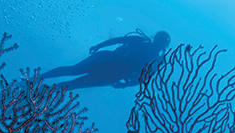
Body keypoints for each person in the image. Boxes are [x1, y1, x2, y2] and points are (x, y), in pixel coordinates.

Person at [42, 30, 171, 90]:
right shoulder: (139, 40)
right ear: (155, 37)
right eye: (159, 37)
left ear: (165, 46)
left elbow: (143, 80)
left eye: (163, 41)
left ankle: (43, 92)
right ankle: (39, 77)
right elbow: (117, 40)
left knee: (75, 84)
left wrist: (124, 85)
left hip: (113, 75)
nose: (159, 41)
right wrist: (99, 45)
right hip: (105, 59)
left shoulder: (157, 61)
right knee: (73, 70)